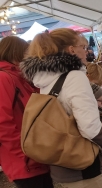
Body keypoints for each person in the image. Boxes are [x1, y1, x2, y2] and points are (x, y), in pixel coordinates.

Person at [20, 28, 102, 188]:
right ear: (72, 49)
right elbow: (89, 127)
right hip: (82, 164)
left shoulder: (46, 77)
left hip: (61, 163)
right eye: (83, 48)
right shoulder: (74, 77)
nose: (86, 52)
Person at [0, 36, 53, 188]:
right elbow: (3, 123)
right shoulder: (4, 77)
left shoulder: (19, 77)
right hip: (25, 160)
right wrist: (25, 153)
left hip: (35, 156)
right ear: (16, 53)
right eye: (26, 53)